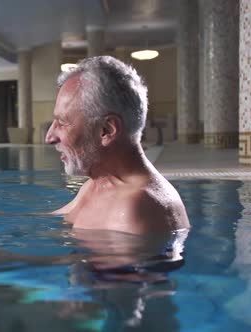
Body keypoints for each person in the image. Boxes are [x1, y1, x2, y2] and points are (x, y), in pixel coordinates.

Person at [45, 56, 189, 234]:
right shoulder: (97, 184)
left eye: (62, 122)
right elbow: (49, 221)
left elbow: (96, 262)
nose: (49, 137)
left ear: (106, 130)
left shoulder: (137, 208)